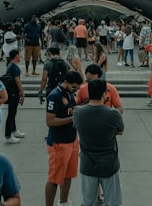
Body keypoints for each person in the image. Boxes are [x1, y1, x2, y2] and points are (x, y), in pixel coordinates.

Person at [73, 77, 125, 206]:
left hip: (87, 164)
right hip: (109, 165)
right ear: (104, 94)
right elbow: (120, 131)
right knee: (114, 202)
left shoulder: (78, 113)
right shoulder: (113, 114)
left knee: (87, 202)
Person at [45, 70, 83, 206]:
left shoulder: (69, 93)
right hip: (58, 142)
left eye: (77, 88)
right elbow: (50, 121)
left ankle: (64, 201)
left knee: (68, 174)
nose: (76, 90)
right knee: (55, 178)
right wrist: (72, 119)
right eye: (74, 87)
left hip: (72, 140)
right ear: (65, 82)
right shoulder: (54, 96)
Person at [2, 49, 26, 144]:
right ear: (16, 56)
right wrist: (22, 93)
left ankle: (14, 130)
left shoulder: (10, 65)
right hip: (13, 93)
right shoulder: (14, 67)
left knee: (13, 112)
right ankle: (8, 135)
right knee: (11, 114)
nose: (21, 56)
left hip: (10, 92)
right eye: (20, 54)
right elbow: (17, 81)